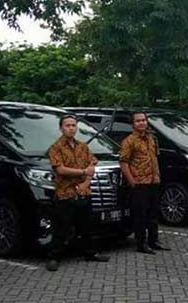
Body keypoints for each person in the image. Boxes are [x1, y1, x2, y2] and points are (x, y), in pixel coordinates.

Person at [46, 115, 110, 271]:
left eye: (73, 125)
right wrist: (82, 172)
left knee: (87, 226)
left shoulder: (83, 146)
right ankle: (54, 257)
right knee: (62, 228)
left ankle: (90, 253)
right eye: (67, 125)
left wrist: (85, 183)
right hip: (65, 193)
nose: (71, 128)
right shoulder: (55, 148)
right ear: (61, 128)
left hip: (83, 192)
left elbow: (92, 164)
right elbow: (60, 169)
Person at [119, 112, 169, 254]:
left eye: (143, 120)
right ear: (133, 124)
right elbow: (123, 162)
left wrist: (157, 176)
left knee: (153, 213)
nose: (141, 123)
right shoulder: (129, 141)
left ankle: (154, 241)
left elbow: (156, 157)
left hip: (153, 180)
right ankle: (141, 244)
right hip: (139, 183)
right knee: (140, 215)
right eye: (138, 121)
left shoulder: (152, 139)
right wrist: (132, 182)